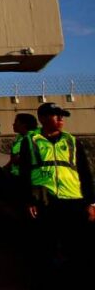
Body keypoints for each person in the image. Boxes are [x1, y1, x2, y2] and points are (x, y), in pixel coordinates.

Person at [17, 103, 95, 280]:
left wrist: (91, 203)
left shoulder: (71, 141)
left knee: (77, 247)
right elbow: (25, 173)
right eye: (55, 115)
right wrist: (28, 200)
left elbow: (84, 172)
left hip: (74, 200)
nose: (61, 119)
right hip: (46, 201)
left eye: (62, 116)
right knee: (46, 246)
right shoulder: (31, 141)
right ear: (42, 118)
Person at [6, 112, 38, 179]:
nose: (13, 124)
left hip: (30, 178)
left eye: (16, 122)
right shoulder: (20, 137)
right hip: (19, 175)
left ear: (24, 124)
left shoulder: (32, 138)